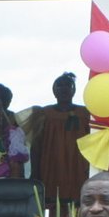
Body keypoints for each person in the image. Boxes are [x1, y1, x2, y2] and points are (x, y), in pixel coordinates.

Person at [27, 72, 90, 208]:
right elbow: (36, 145)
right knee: (53, 206)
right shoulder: (44, 114)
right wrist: (35, 172)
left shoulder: (85, 113)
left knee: (78, 205)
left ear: (74, 90)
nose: (64, 89)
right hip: (51, 167)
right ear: (54, 90)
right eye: (59, 86)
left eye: (68, 85)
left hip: (77, 167)